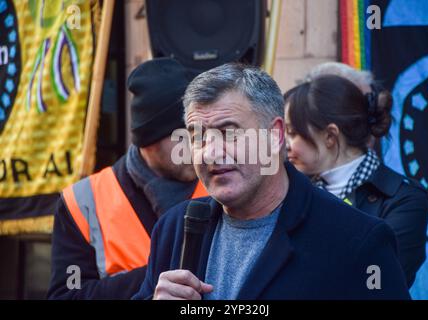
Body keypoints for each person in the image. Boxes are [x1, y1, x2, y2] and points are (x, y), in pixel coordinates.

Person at [133, 63, 410, 300]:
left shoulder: (356, 241)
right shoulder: (174, 228)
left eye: (228, 132)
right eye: (197, 137)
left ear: (276, 135)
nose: (210, 152)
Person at [47, 58, 207, 299]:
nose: (195, 149)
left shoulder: (222, 185)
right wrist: (154, 279)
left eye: (199, 135)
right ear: (148, 141)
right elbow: (67, 295)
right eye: (183, 138)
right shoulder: (81, 203)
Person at [284, 74, 428, 288]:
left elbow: (378, 282)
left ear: (330, 136)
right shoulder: (291, 189)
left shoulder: (404, 199)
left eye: (293, 133)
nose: (286, 145)